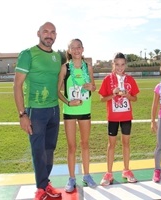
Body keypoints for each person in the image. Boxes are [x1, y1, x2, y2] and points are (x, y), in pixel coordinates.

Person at [13, 22, 62, 200]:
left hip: (54, 110)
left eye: (52, 32)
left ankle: (45, 183)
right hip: (36, 111)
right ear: (38, 34)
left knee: (49, 149)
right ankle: (41, 188)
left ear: (56, 35)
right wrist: (22, 114)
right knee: (38, 150)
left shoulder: (57, 56)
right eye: (45, 32)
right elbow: (17, 85)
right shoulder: (28, 54)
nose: (49, 35)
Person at [57, 38, 97, 192]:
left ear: (83, 49)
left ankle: (87, 175)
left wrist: (91, 86)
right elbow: (57, 91)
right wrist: (68, 103)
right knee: (72, 147)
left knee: (85, 144)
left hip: (85, 111)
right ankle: (72, 178)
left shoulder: (88, 67)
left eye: (78, 47)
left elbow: (93, 87)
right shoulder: (64, 68)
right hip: (70, 112)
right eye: (72, 48)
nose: (76, 50)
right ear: (69, 50)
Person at [98, 52, 140, 186]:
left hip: (126, 116)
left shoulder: (130, 79)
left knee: (126, 144)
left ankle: (126, 170)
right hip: (113, 118)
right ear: (113, 64)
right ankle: (109, 173)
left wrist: (128, 95)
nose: (120, 67)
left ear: (125, 65)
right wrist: (113, 94)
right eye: (117, 64)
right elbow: (101, 99)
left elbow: (135, 98)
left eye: (122, 64)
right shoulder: (107, 79)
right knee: (111, 145)